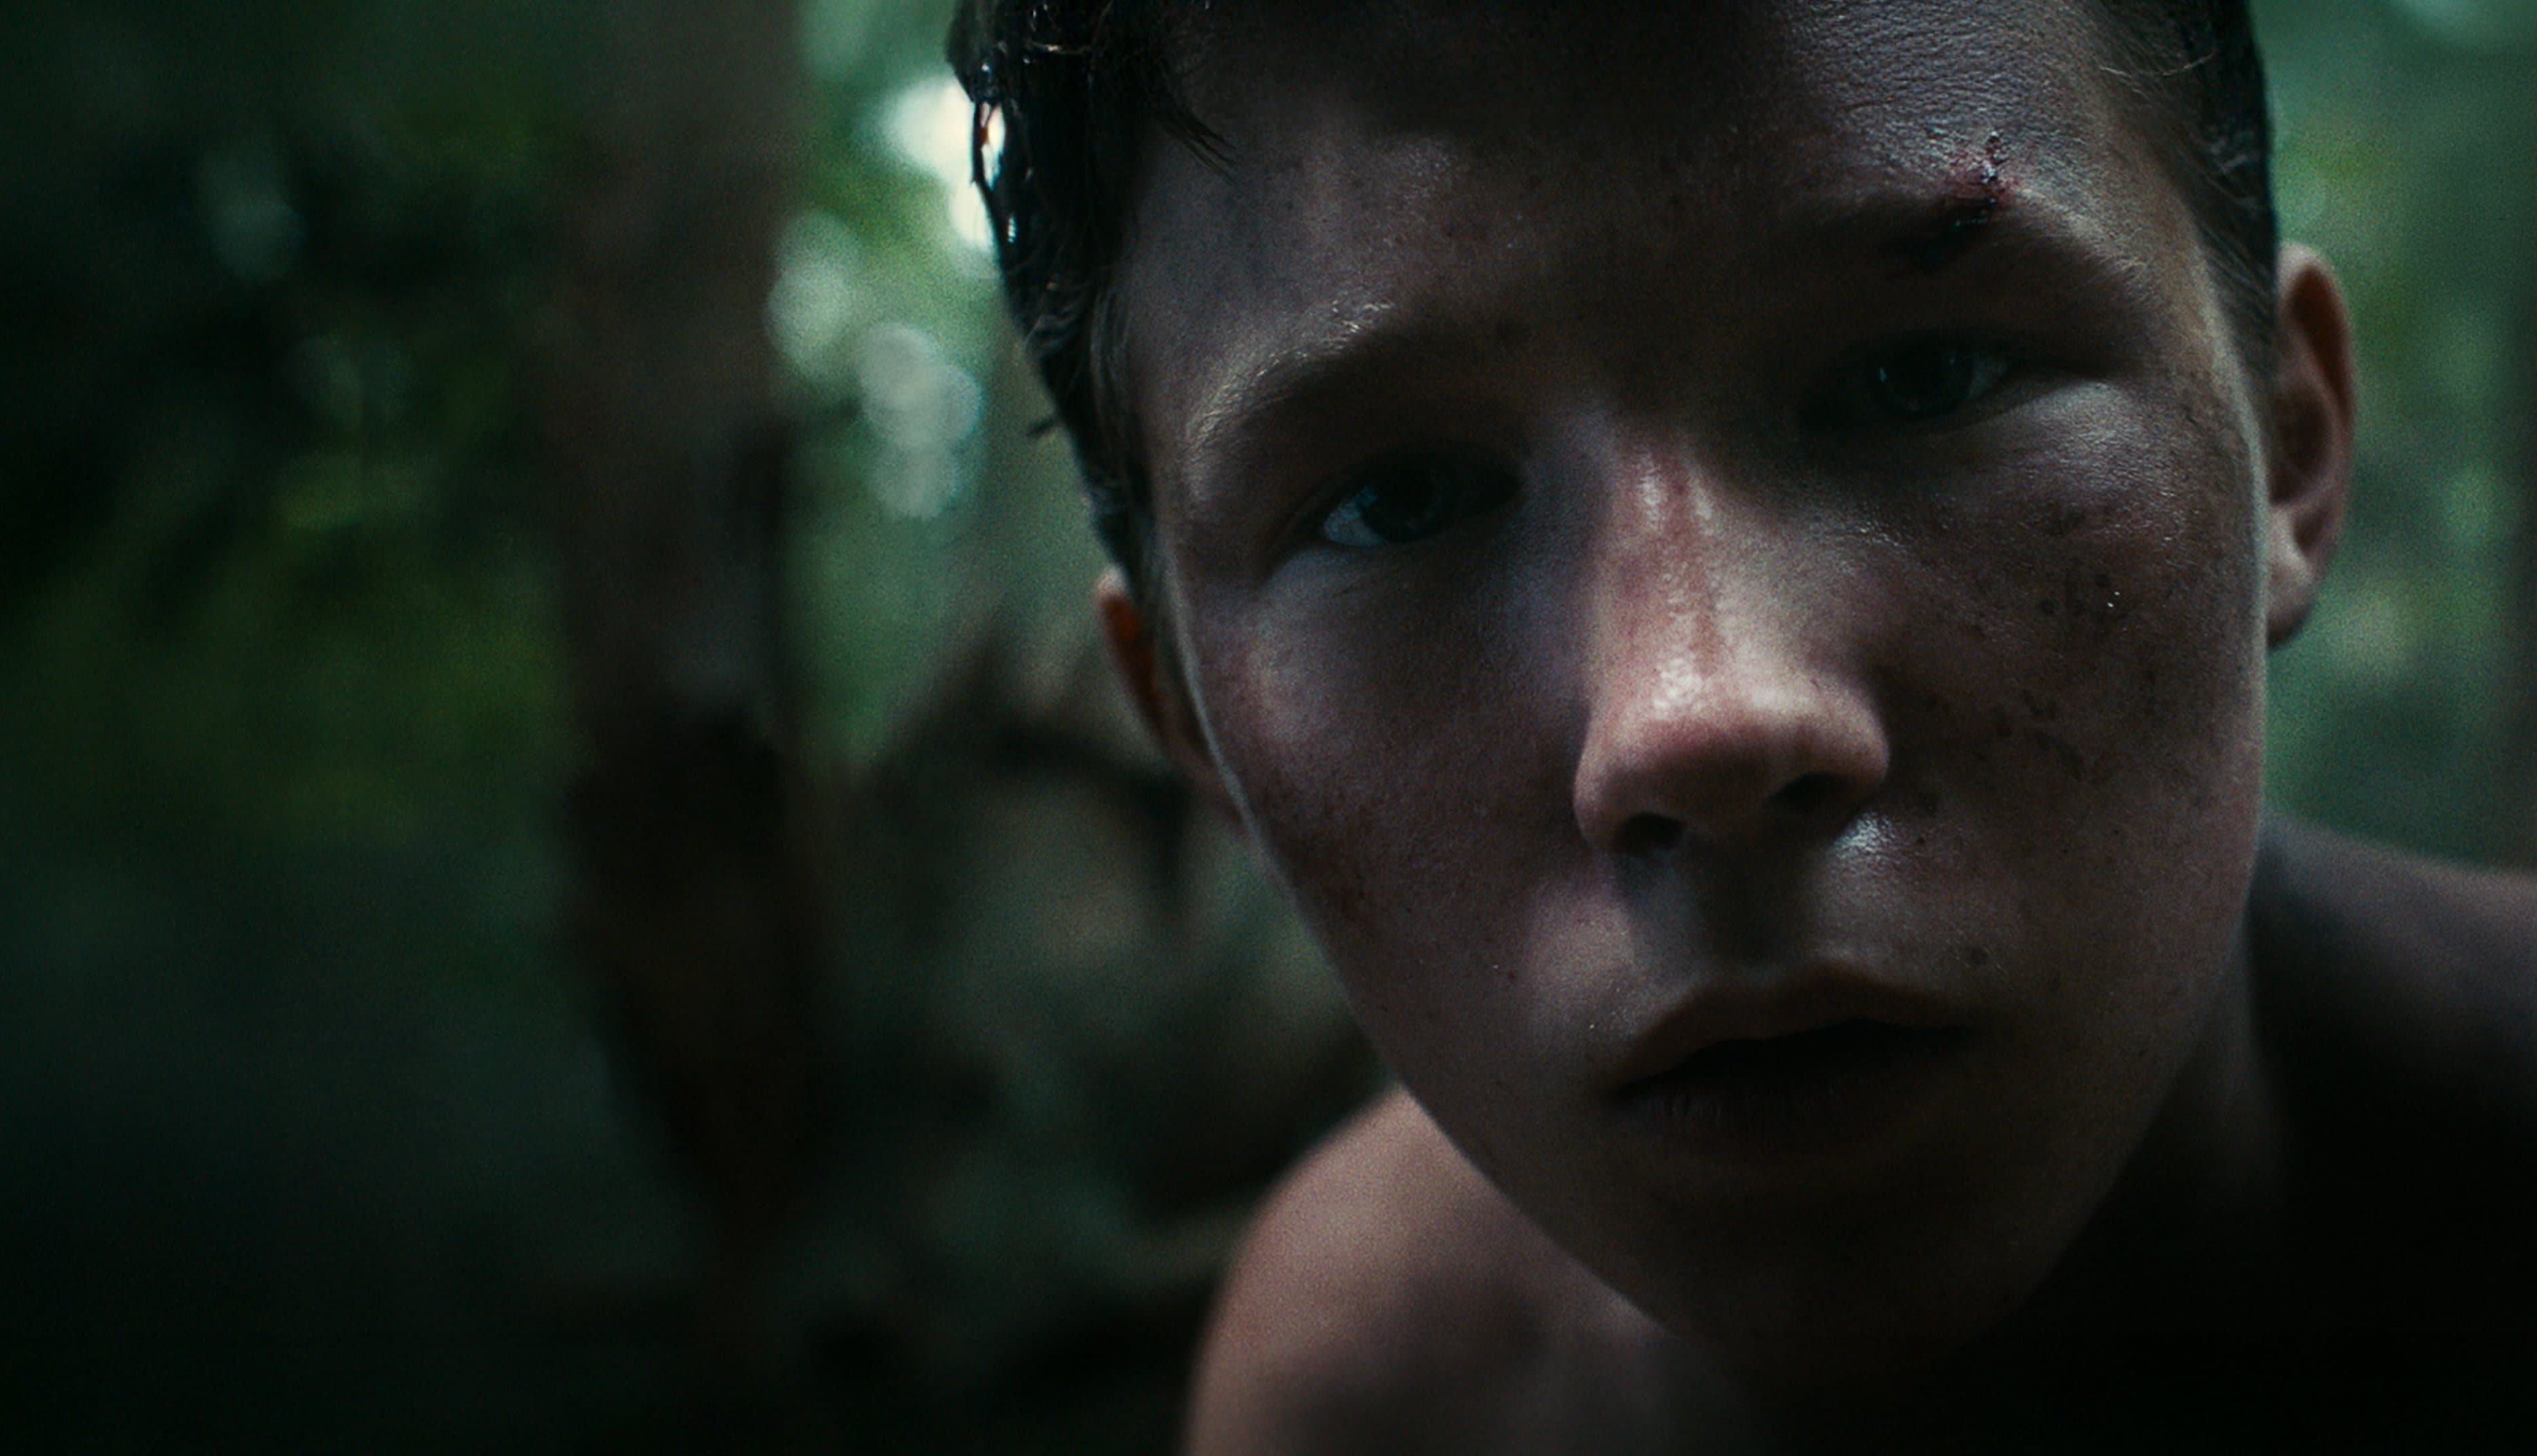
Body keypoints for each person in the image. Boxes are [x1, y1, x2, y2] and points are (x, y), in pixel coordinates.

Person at [948, 1, 2537, 1449]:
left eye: (1927, 375)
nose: (1696, 720)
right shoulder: (1366, 1398)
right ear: (1191, 720)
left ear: (2292, 443)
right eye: (1397, 504)